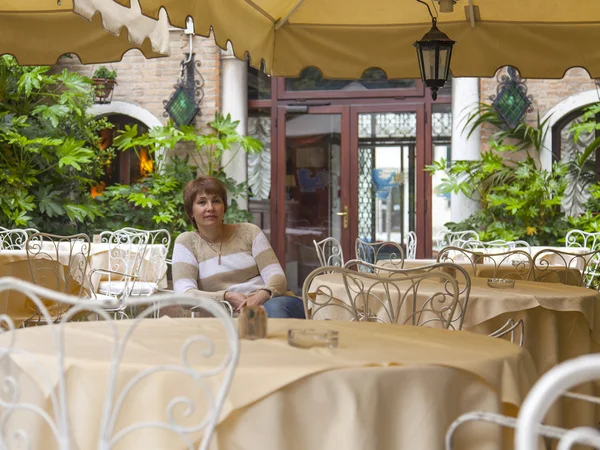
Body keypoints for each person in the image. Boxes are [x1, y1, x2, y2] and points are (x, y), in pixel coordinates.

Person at [172, 175, 305, 319]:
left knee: (274, 308)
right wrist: (226, 296)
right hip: (229, 318)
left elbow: (277, 277)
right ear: (190, 211)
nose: (210, 208)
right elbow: (184, 295)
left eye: (216, 201)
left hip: (274, 305)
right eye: (202, 202)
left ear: (224, 207)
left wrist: (261, 295)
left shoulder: (249, 232)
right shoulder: (187, 243)